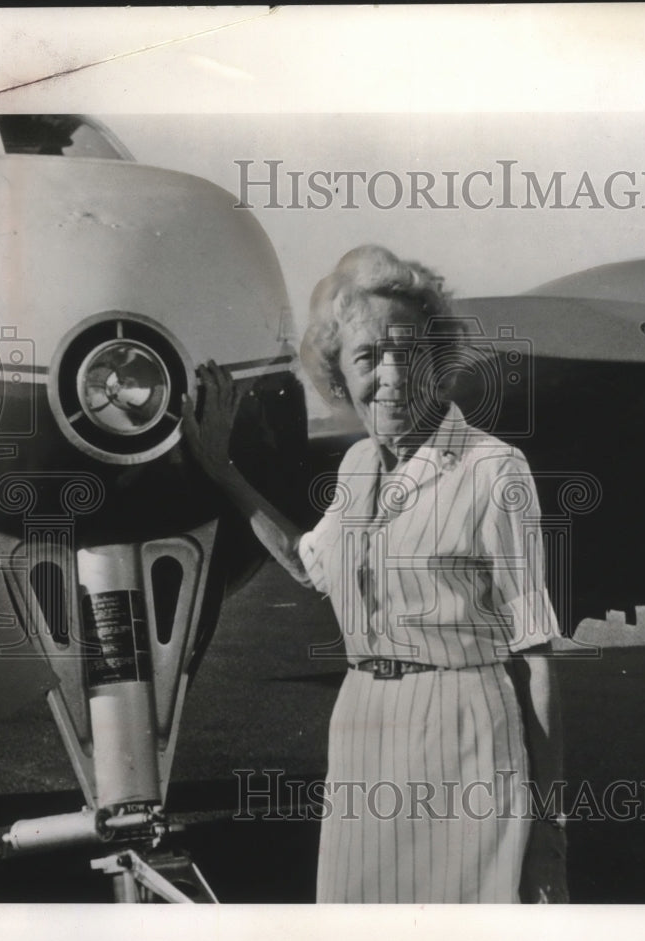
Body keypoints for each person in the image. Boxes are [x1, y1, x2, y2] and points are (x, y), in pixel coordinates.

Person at [182, 244, 567, 903]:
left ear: (439, 362)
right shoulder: (358, 465)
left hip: (464, 725)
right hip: (362, 721)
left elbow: (534, 656)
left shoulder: (493, 471)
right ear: (339, 373)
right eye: (366, 357)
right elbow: (313, 566)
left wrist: (552, 834)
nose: (390, 375)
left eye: (408, 352)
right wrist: (223, 470)